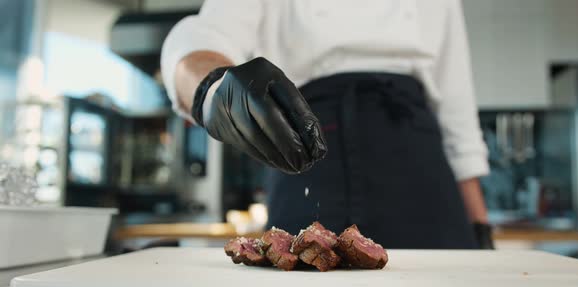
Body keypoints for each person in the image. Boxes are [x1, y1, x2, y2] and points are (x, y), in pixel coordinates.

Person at [161, 0, 494, 249]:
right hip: (305, 144)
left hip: (418, 164)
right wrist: (212, 87)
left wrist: (480, 228)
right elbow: (204, 36)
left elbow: (457, 112)